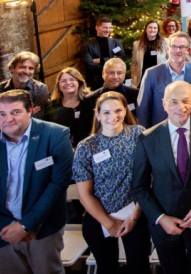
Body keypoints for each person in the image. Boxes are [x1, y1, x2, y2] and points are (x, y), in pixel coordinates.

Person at [0, 90, 74, 274]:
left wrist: (25, 225)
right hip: (0, 232)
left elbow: (58, 184)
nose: (8, 119)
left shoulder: (55, 135)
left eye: (15, 112)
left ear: (30, 110)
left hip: (42, 229)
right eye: (1, 114)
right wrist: (5, 227)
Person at [132, 81, 191, 274]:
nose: (180, 107)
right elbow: (139, 187)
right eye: (173, 102)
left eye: (185, 101)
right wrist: (160, 218)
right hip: (165, 222)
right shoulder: (147, 138)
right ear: (164, 104)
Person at [73, 92, 150, 274]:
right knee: (106, 268)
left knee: (140, 268)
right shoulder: (87, 146)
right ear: (98, 115)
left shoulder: (139, 135)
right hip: (99, 217)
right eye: (106, 112)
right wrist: (109, 223)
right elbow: (84, 194)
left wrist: (134, 217)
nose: (112, 117)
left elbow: (149, 178)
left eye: (118, 110)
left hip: (135, 215)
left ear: (125, 111)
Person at [137, 32, 191, 128]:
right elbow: (143, 108)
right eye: (174, 46)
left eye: (182, 47)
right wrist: (145, 134)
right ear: (168, 49)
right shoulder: (152, 73)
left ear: (188, 50)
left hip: (190, 128)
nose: (177, 51)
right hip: (160, 129)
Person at [0, 51, 49, 133]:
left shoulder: (40, 89)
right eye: (22, 67)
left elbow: (35, 123)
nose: (26, 71)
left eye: (31, 68)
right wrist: (24, 116)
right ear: (12, 68)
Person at [79, 58, 140, 145]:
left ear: (124, 74)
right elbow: (84, 129)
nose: (115, 76)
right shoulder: (90, 99)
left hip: (131, 142)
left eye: (119, 73)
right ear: (103, 74)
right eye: (111, 73)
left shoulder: (136, 94)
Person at [82, 17, 127, 89]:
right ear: (97, 27)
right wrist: (112, 65)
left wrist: (101, 60)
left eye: (110, 28)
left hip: (115, 82)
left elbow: (121, 58)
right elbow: (89, 65)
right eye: (105, 28)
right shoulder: (87, 45)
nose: (108, 30)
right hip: (95, 83)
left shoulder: (116, 43)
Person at [131, 20, 169, 88]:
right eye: (150, 27)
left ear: (158, 30)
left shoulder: (165, 42)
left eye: (155, 28)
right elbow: (134, 62)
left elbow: (169, 59)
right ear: (146, 29)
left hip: (159, 78)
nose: (152, 30)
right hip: (143, 78)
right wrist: (134, 75)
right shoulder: (137, 44)